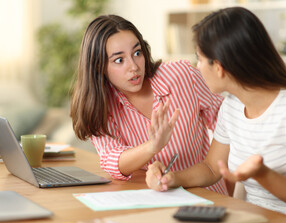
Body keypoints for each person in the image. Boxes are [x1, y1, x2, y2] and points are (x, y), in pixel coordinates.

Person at [145, 7, 286, 223]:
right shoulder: (232, 106)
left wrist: (262, 174)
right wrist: (173, 178)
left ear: (219, 67)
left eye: (200, 59)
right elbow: (211, 168)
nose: (197, 67)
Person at [69, 15, 228, 195]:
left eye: (137, 53)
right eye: (119, 60)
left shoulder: (183, 75)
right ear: (99, 67)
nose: (134, 66)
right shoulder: (99, 106)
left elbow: (228, 122)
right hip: (152, 199)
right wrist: (152, 146)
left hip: (206, 196)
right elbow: (111, 160)